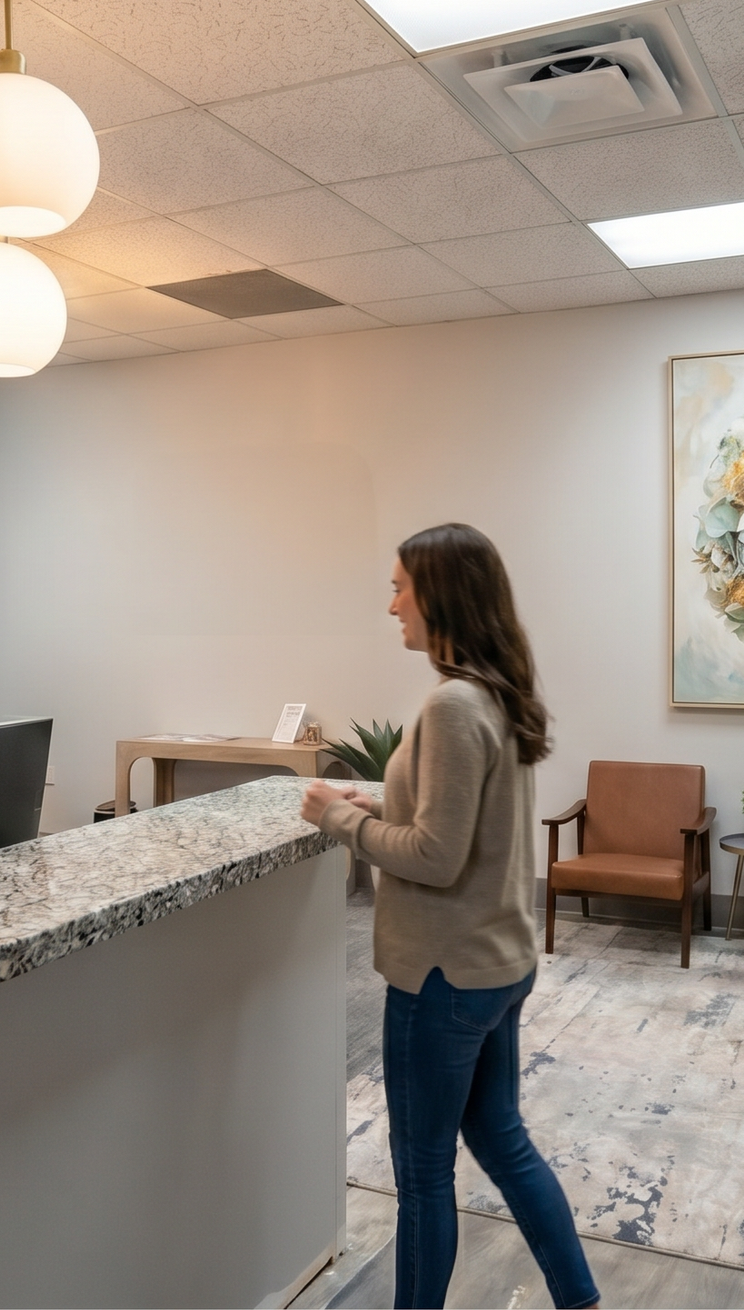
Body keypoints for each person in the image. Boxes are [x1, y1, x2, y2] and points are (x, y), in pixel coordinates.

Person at [301, 524, 599, 1310]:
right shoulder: (496, 694)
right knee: (501, 1137)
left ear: (440, 595)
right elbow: (457, 818)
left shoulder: (453, 704)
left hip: (443, 976)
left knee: (424, 1170)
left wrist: (337, 820)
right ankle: (580, 1297)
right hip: (497, 963)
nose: (390, 601)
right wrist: (375, 801)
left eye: (400, 585)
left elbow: (435, 855)